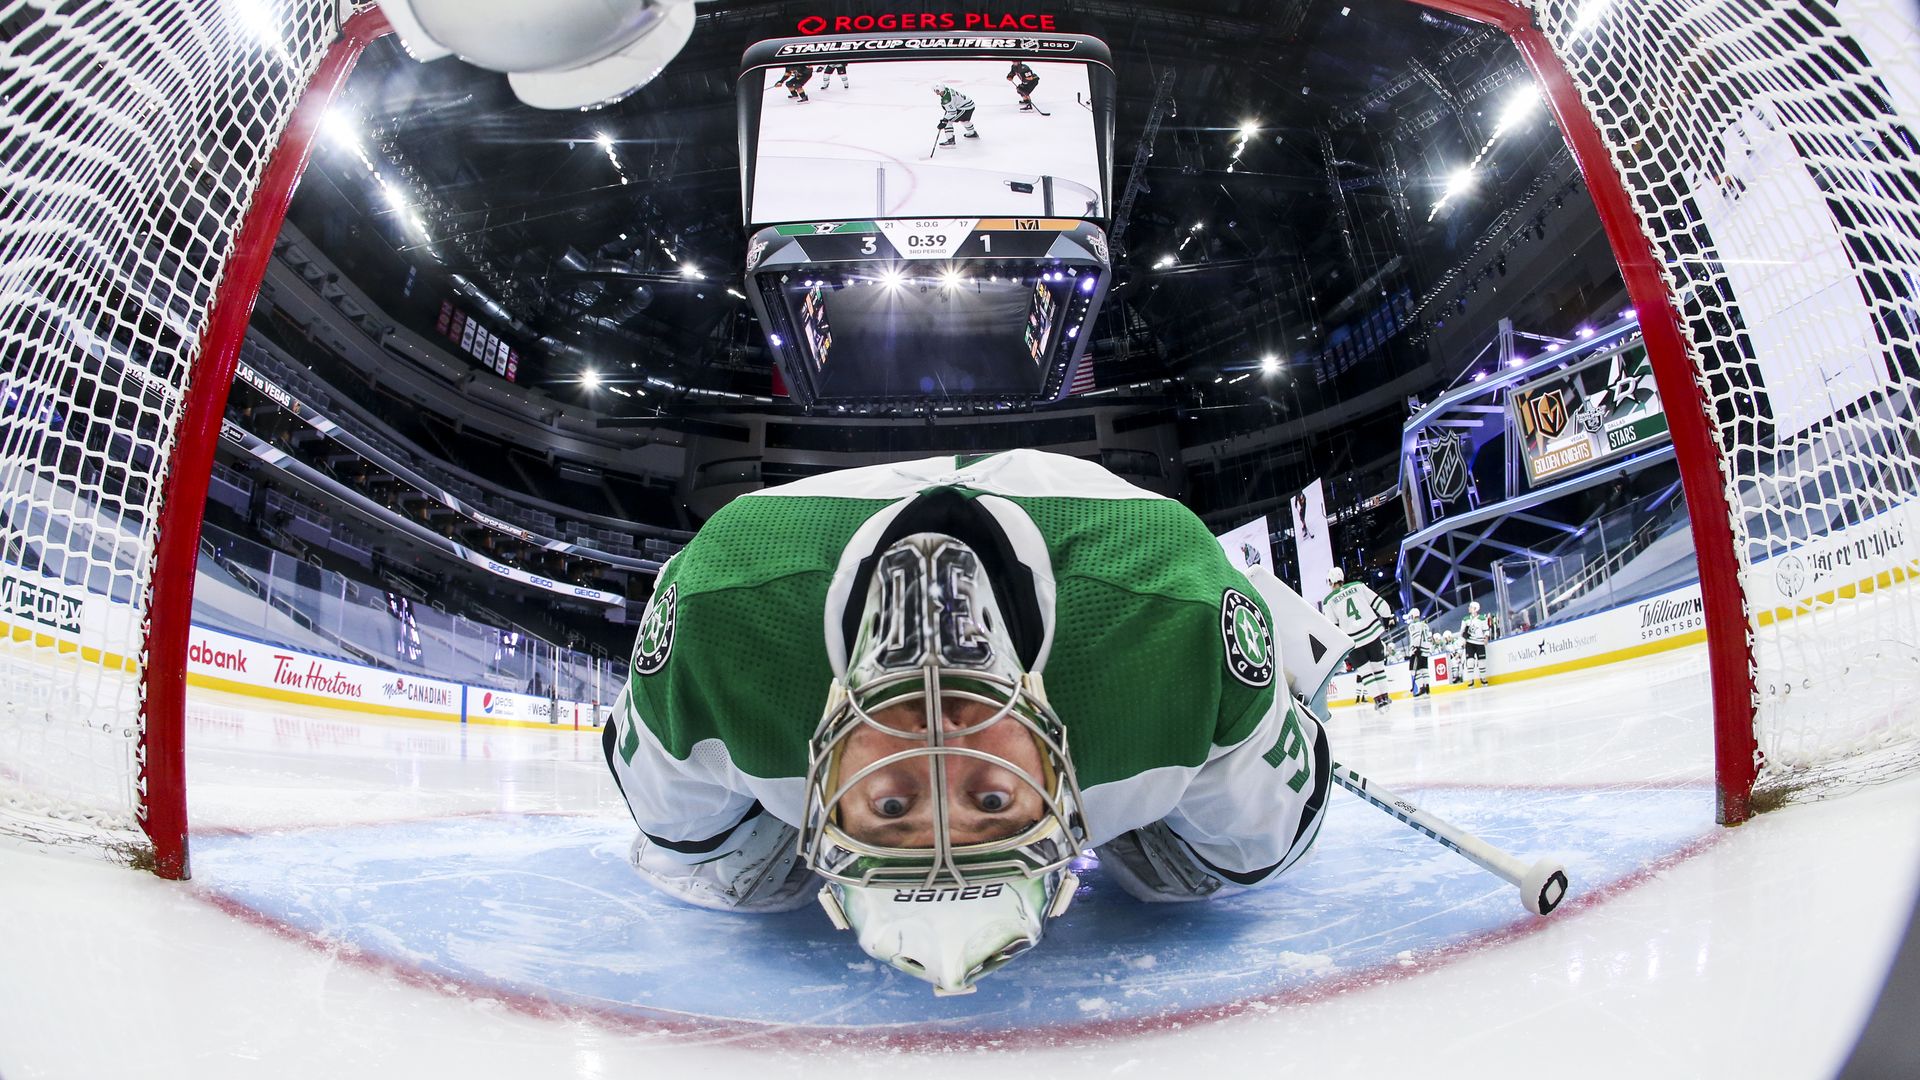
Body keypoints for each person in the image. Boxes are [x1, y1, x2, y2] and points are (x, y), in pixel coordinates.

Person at [602, 451, 1347, 995]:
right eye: (990, 802)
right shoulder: (1174, 618)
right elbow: (1268, 835)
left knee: (736, 876)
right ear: (1060, 799)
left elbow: (681, 826)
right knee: (1200, 876)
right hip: (1136, 600)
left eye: (894, 807)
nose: (939, 754)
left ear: (828, 815)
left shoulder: (717, 614)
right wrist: (1285, 673)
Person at [1322, 566, 1395, 709]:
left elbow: (1333, 626)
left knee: (1365, 672)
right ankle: (1385, 696)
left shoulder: (1329, 601)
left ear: (1331, 581)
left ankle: (1378, 700)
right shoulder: (1358, 586)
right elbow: (1380, 603)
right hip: (1372, 633)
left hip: (1353, 641)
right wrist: (1386, 621)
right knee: (1378, 667)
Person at [1460, 600, 1495, 686]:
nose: (1469, 608)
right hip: (1469, 643)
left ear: (1475, 609)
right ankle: (1471, 680)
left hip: (1479, 642)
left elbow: (1486, 629)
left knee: (1482, 661)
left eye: (1471, 607)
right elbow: (1461, 631)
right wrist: (1463, 639)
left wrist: (1486, 637)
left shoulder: (1482, 618)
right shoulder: (1465, 619)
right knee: (1470, 661)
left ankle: (1483, 678)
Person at [1405, 607, 1432, 697]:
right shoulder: (1425, 625)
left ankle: (1421, 688)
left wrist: (1416, 648)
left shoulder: (1413, 626)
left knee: (1413, 670)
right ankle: (1427, 687)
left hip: (1417, 650)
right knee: (1424, 669)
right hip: (1425, 650)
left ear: (1412, 616)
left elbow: (1417, 637)